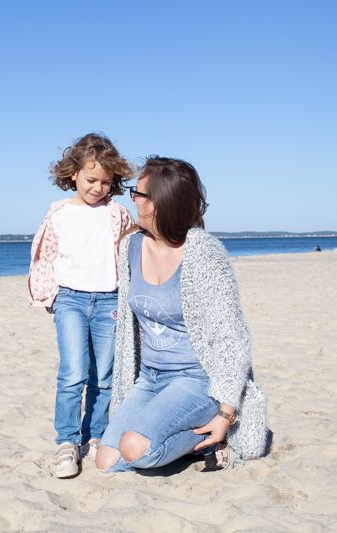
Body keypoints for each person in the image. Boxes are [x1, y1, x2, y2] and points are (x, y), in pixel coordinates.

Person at [95, 156, 268, 473]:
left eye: (139, 193)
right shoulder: (130, 247)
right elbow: (128, 329)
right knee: (106, 462)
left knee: (136, 448)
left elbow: (232, 338)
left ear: (160, 203)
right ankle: (179, 444)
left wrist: (226, 413)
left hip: (197, 381)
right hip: (149, 378)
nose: (132, 197)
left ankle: (216, 441)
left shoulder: (202, 253)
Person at [28, 133, 135, 478]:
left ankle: (98, 435)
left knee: (103, 376)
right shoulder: (59, 212)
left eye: (105, 182)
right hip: (71, 300)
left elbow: (131, 252)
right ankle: (67, 443)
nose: (97, 188)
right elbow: (45, 254)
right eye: (91, 179)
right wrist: (49, 297)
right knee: (73, 373)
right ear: (73, 174)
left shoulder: (117, 214)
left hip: (109, 301)